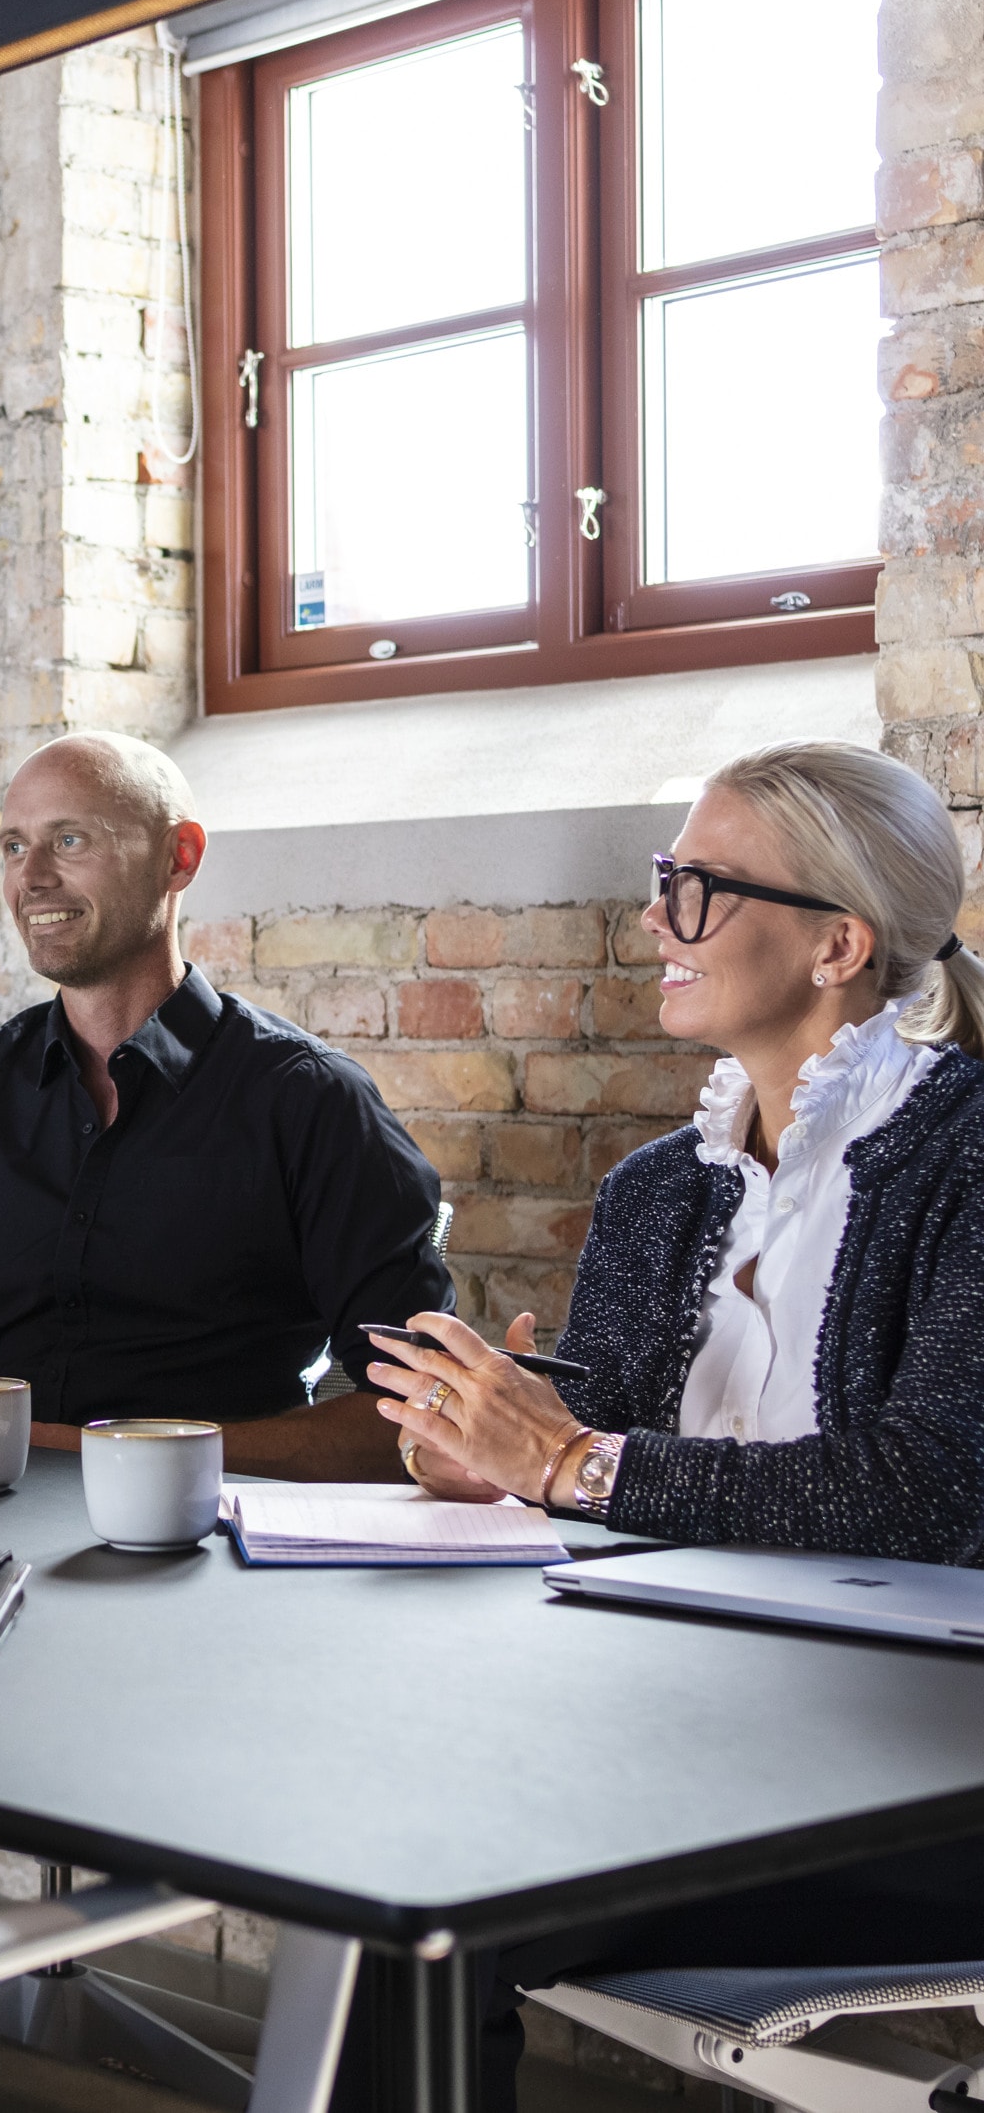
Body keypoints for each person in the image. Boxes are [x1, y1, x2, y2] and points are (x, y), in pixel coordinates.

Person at [364, 739, 984, 2113]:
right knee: (373, 1809)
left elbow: (934, 1492)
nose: (657, 918)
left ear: (839, 943)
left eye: (699, 886)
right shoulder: (664, 1189)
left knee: (414, 1866)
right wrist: (500, 1449)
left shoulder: (971, 1160)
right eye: (665, 880)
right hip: (676, 1731)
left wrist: (575, 1461)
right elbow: (620, 1447)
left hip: (917, 1777)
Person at [0, 729, 455, 1482]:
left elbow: (416, 1414)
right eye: (14, 847)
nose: (31, 878)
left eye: (69, 839)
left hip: (206, 1544)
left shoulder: (312, 1102)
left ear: (179, 857)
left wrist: (76, 1453)